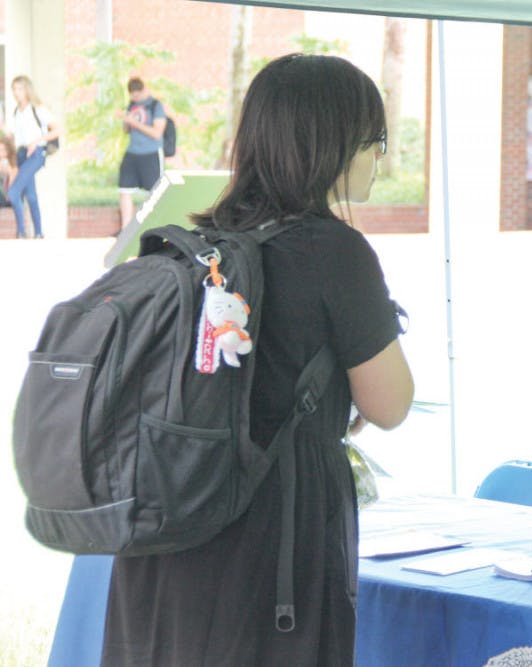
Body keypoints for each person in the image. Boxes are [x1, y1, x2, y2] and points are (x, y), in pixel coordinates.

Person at [101, 54, 414, 666]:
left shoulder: (190, 239)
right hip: (269, 543)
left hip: (164, 530)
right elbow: (391, 402)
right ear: (331, 143)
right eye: (374, 140)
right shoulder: (335, 250)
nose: (380, 156)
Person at [8, 75, 59, 239]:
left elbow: (56, 130)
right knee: (30, 194)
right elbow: (16, 137)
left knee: (14, 192)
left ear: (27, 89)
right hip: (22, 153)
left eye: (20, 88)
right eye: (14, 89)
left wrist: (37, 141)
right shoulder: (17, 111)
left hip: (36, 153)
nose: (16, 93)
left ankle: (21, 232)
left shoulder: (38, 108)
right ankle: (38, 233)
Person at [116, 77, 166, 229]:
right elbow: (126, 130)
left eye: (138, 94)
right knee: (124, 189)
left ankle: (152, 226)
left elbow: (157, 133)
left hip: (150, 153)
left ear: (144, 90)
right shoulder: (131, 106)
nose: (135, 98)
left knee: (153, 192)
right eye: (133, 95)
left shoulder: (155, 105)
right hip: (132, 152)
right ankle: (126, 228)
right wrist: (126, 121)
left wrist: (135, 123)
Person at [0, 134, 18, 208]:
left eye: (2, 150)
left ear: (9, 151)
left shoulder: (12, 165)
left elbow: (12, 186)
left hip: (7, 199)